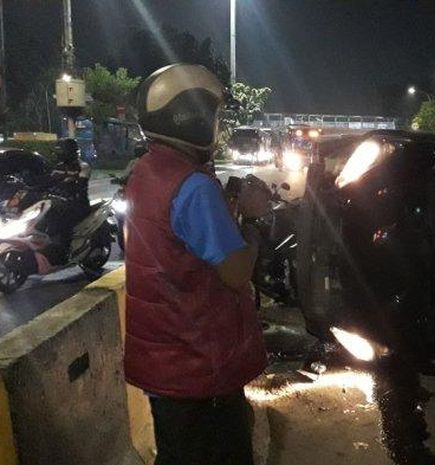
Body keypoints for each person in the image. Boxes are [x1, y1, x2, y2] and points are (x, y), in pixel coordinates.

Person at [124, 63, 269, 465]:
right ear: (192, 118)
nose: (219, 127)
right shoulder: (194, 187)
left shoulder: (145, 172)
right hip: (201, 367)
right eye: (217, 116)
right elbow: (236, 272)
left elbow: (179, 251)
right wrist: (253, 219)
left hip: (166, 366)